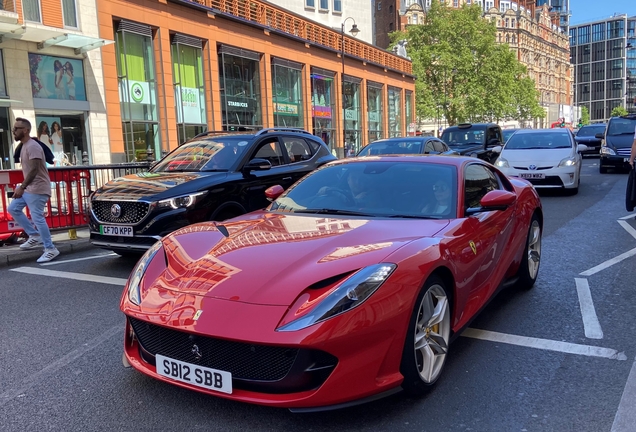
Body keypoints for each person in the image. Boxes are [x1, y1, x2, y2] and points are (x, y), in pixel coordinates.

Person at [8, 118, 60, 263]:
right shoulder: (25, 145)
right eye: (14, 128)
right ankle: (34, 235)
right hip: (30, 188)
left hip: (37, 188)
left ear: (25, 130)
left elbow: (34, 169)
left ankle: (50, 249)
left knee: (37, 217)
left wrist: (22, 187)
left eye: (16, 128)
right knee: (13, 208)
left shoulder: (32, 146)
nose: (14, 131)